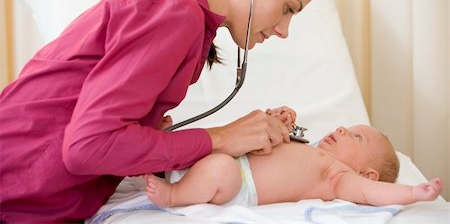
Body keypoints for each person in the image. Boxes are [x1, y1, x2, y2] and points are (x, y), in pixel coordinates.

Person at [0, 0, 324, 222]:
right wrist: (223, 137)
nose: (284, 30)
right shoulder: (173, 11)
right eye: (288, 8)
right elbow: (88, 147)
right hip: (15, 197)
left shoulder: (182, 15)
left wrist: (154, 138)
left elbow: (98, 135)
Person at [146, 107, 444, 207]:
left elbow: (372, 193)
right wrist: (279, 118)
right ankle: (159, 146)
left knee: (220, 167)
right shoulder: (309, 145)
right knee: (210, 145)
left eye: (355, 136)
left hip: (237, 182)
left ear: (366, 173)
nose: (341, 129)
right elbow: (262, 136)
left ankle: (174, 194)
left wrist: (414, 192)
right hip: (232, 155)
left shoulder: (338, 177)